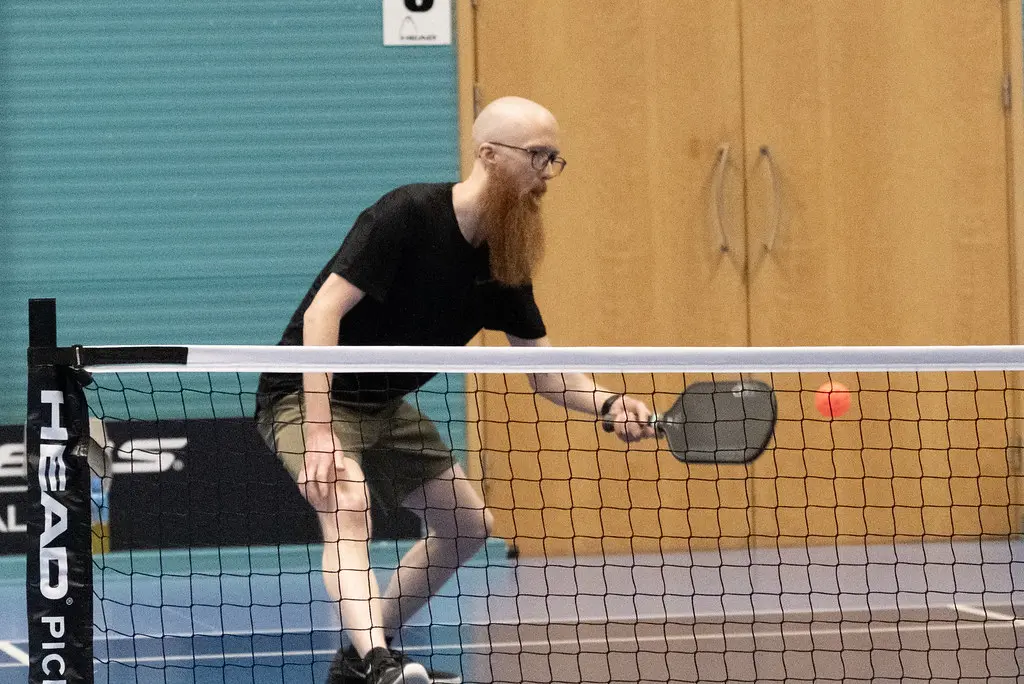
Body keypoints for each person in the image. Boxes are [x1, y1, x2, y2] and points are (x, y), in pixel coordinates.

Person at [255, 96, 656, 684]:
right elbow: (323, 315)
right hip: (306, 392)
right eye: (537, 156)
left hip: (383, 405)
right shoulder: (407, 214)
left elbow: (544, 372)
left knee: (468, 528)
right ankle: (379, 665)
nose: (546, 174)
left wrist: (608, 404)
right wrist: (318, 433)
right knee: (346, 502)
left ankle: (361, 658)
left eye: (554, 159)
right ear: (490, 156)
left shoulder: (503, 257)